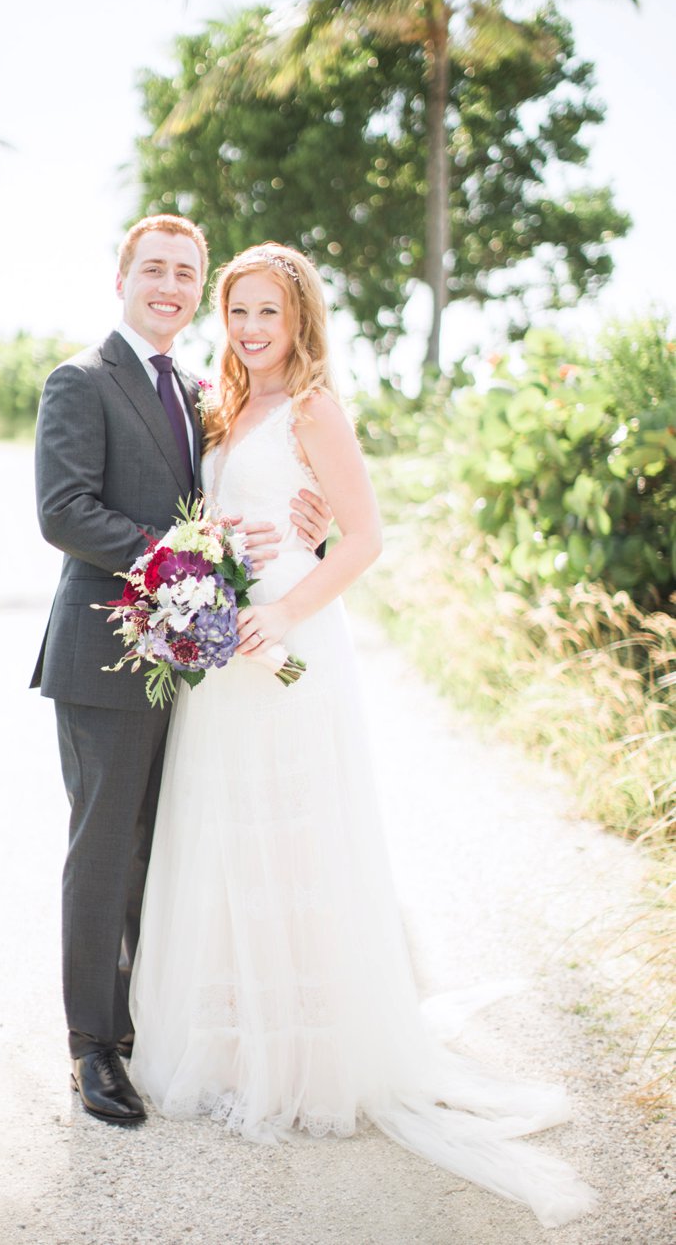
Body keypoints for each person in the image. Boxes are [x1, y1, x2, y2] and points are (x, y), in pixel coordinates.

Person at [128, 242, 596, 1228]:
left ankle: (308, 1055)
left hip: (290, 643)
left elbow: (366, 536)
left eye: (270, 314)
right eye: (240, 313)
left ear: (299, 320)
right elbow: (216, 513)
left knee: (297, 834)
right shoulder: (222, 406)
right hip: (223, 649)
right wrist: (202, 571)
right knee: (227, 836)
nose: (254, 330)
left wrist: (287, 609)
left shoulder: (312, 408)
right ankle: (231, 1042)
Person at [31, 216, 331, 1128]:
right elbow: (65, 510)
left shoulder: (200, 392)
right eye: (153, 269)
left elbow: (243, 498)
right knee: (103, 849)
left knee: (159, 851)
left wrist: (305, 525)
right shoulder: (82, 380)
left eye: (185, 274)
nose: (170, 285)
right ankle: (94, 1048)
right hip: (102, 652)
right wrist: (184, 553)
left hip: (185, 664)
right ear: (122, 277)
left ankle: (146, 1023)